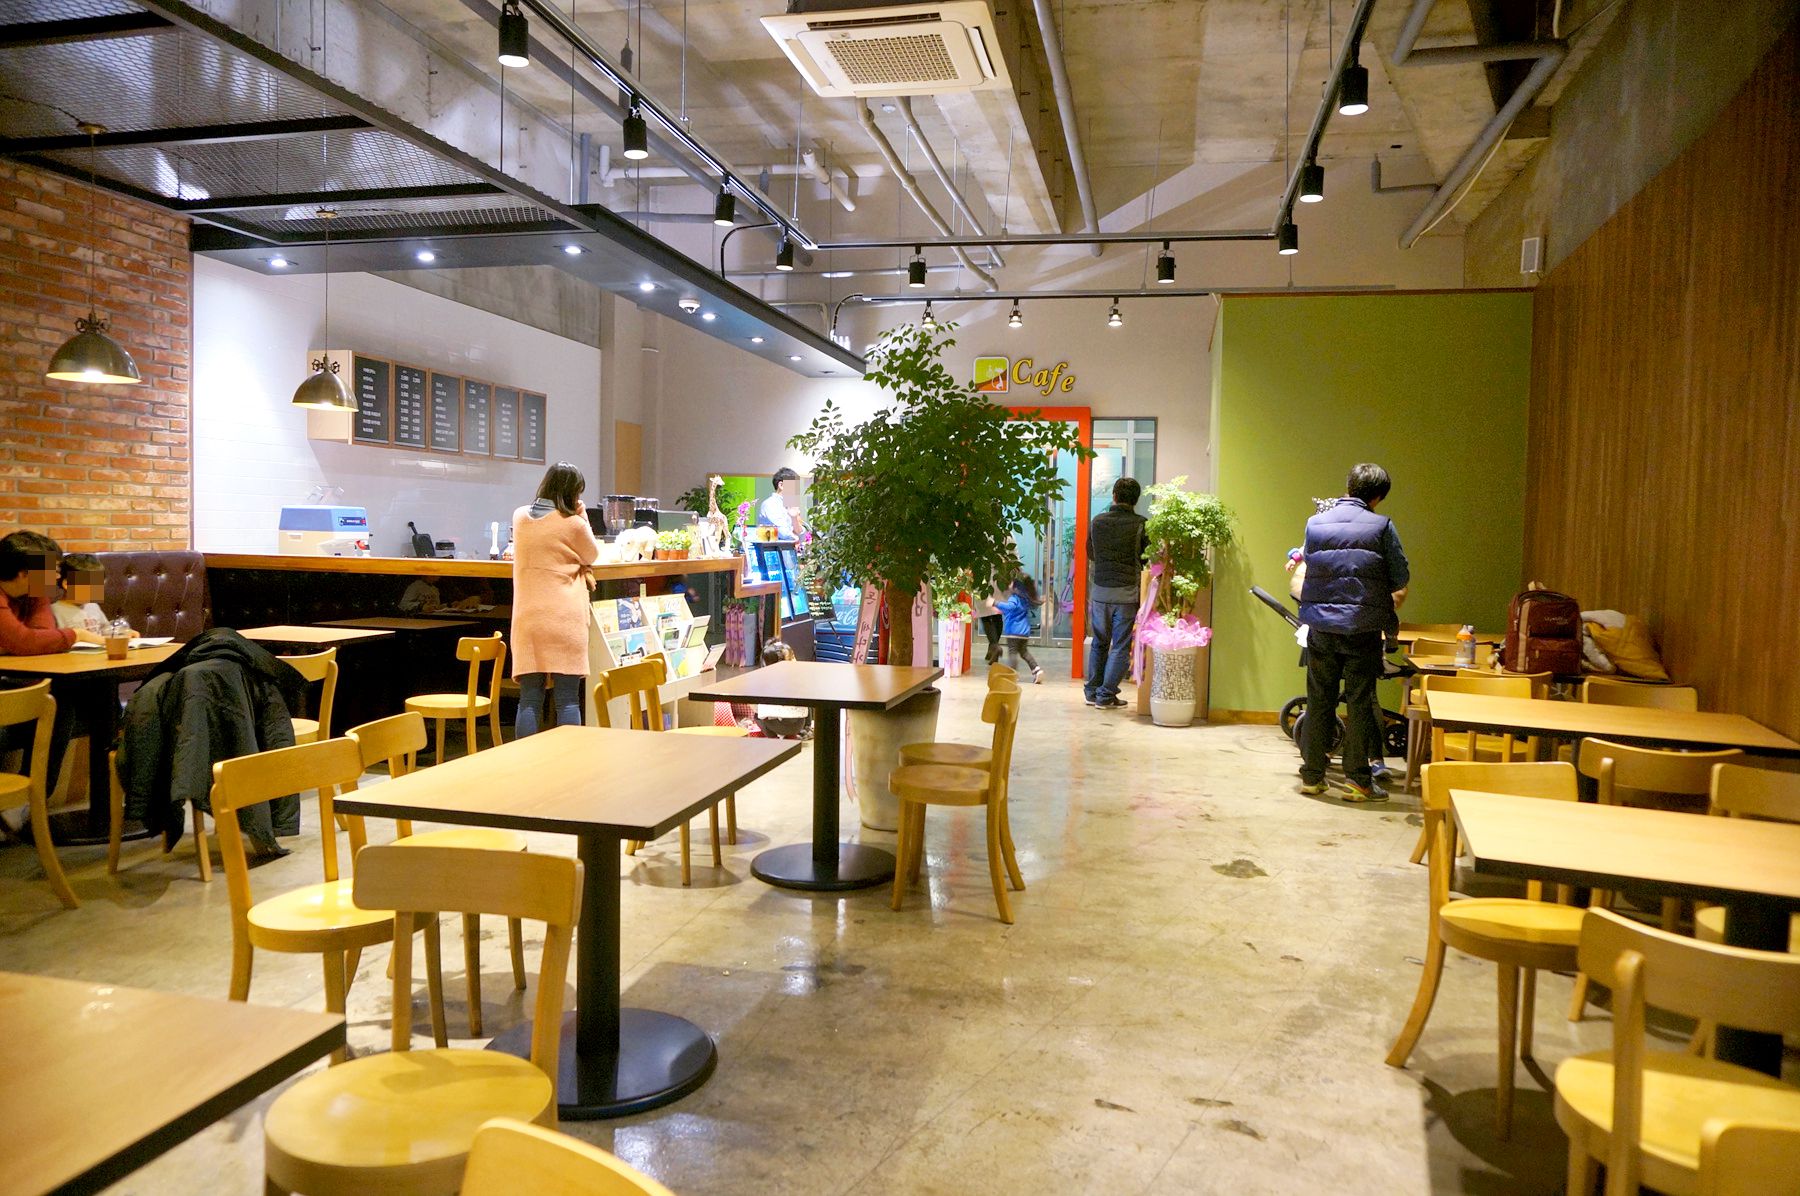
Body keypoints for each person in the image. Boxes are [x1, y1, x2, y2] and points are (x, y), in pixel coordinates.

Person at [1296, 464, 1410, 802]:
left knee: (1319, 699)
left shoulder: (1315, 523)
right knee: (1360, 701)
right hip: (1362, 627)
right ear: (1378, 497)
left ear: (1348, 486)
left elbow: (1309, 565)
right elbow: (1400, 577)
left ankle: (1312, 777)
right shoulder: (1382, 525)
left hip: (1320, 625)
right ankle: (1358, 781)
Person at [510, 462, 602, 738]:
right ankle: (569, 758)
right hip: (565, 619)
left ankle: (524, 757)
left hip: (528, 619)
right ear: (571, 493)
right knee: (567, 699)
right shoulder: (573, 523)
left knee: (529, 699)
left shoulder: (519, 517)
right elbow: (592, 554)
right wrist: (581, 514)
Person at [1084, 477, 1148, 710]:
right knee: (1120, 646)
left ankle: (1092, 692)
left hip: (1100, 592)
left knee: (1099, 643)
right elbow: (1145, 557)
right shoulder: (1141, 524)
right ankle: (1106, 695)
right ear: (1136, 500)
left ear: (1114, 496)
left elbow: (1091, 553)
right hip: (1126, 594)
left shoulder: (1097, 522)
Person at [1, 531, 100, 654]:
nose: (57, 576)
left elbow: (43, 635)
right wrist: (78, 634)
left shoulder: (37, 592)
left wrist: (13, 645)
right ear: (24, 574)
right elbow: (25, 642)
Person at [994, 572, 1047, 684]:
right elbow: (1015, 610)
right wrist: (1001, 610)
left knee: (1012, 652)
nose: (1009, 584)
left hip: (1013, 631)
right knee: (1024, 652)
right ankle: (1036, 670)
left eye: (1012, 582)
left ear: (1016, 586)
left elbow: (1010, 607)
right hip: (1024, 632)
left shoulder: (1014, 597)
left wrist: (995, 603)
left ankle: (1012, 675)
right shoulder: (1025, 599)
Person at [752, 639, 811, 738]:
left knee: (757, 714)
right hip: (800, 723)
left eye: (793, 657)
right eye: (791, 658)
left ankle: (772, 738)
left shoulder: (767, 682)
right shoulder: (799, 677)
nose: (794, 660)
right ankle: (806, 729)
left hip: (780, 726)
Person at [53, 553, 124, 635]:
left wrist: (122, 632)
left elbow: (106, 631)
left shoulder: (93, 606)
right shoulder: (54, 611)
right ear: (67, 584)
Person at [757, 467, 803, 539]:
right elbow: (784, 533)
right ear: (781, 485)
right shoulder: (770, 504)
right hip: (772, 546)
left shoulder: (790, 505)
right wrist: (796, 535)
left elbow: (801, 533)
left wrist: (794, 518)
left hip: (789, 545)